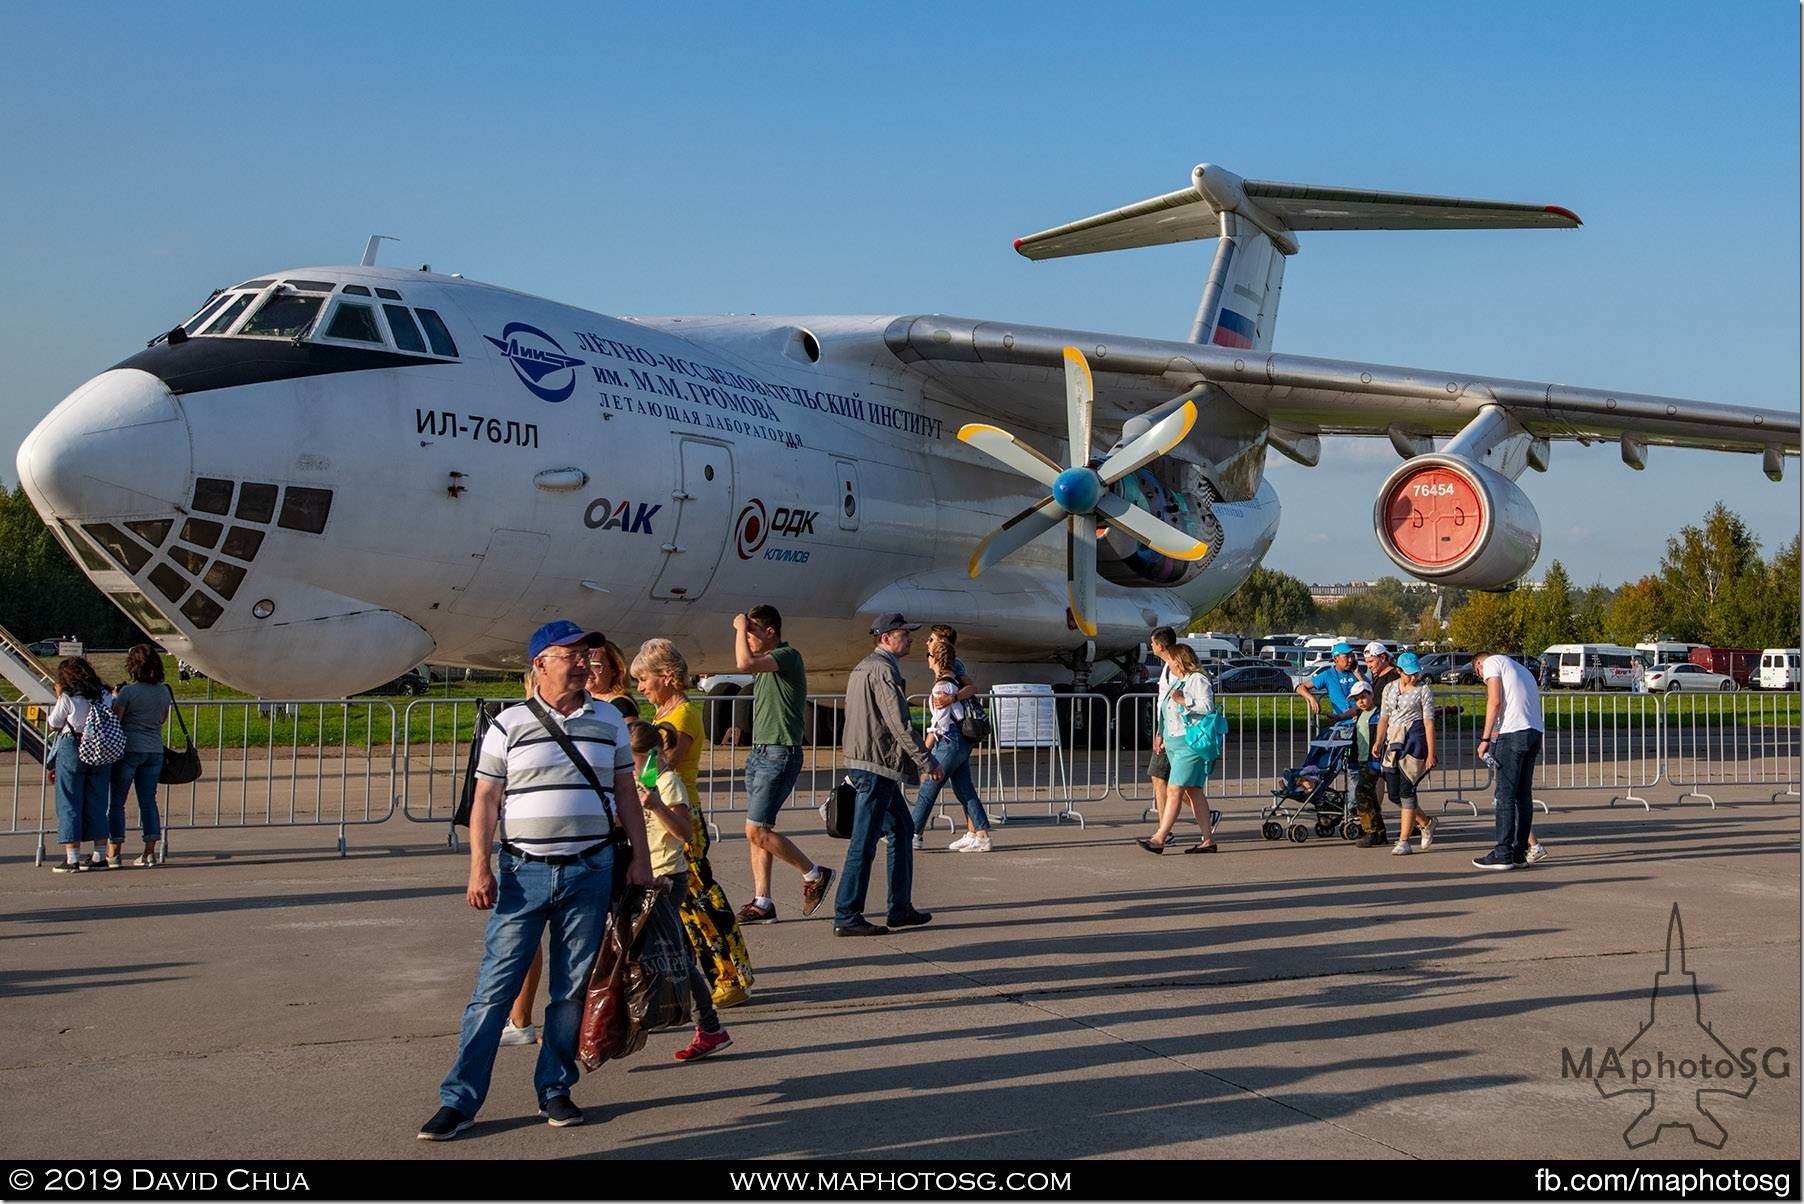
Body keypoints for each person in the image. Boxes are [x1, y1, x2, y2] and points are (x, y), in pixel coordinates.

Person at [419, 620, 651, 1142]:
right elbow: (485, 800)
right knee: (492, 992)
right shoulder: (508, 723)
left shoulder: (611, 719)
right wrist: (479, 865)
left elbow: (626, 792)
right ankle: (459, 1102)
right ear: (541, 663)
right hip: (523, 873)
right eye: (571, 654)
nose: (585, 662)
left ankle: (555, 1088)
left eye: (587, 655)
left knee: (570, 991)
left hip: (590, 870)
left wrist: (640, 857)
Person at [627, 719, 733, 1061]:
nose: (630, 768)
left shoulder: (667, 782)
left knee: (673, 957)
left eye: (634, 760)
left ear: (652, 755)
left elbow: (684, 832)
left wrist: (655, 805)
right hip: (643, 875)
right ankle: (705, 1026)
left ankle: (710, 1026)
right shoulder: (631, 782)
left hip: (667, 879)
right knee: (668, 954)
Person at [833, 613, 942, 936]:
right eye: (903, 634)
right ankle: (847, 914)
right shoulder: (882, 670)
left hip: (871, 763)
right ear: (885, 638)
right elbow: (898, 722)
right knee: (864, 842)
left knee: (902, 829)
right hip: (875, 766)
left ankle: (900, 908)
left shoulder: (865, 667)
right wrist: (927, 761)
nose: (909, 638)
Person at [731, 606, 833, 924]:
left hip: (780, 753)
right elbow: (749, 663)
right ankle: (763, 900)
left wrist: (737, 628)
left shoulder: (788, 655)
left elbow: (742, 661)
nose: (747, 637)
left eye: (752, 631)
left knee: (756, 830)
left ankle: (813, 873)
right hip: (761, 753)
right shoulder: (766, 666)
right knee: (758, 830)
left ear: (770, 632)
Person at [908, 625, 992, 852]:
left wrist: (923, 753)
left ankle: (913, 833)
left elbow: (939, 725)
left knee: (929, 785)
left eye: (931, 641)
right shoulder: (949, 679)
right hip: (960, 741)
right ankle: (980, 834)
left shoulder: (943, 684)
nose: (927, 644)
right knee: (964, 787)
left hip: (949, 741)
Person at [1137, 643, 1220, 854]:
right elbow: (1165, 711)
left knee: (1174, 789)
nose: (1169, 663)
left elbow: (1207, 706)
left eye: (1172, 659)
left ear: (1179, 660)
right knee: (1194, 791)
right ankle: (1208, 839)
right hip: (1174, 743)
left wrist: (1184, 700)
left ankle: (1160, 838)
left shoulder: (1197, 680)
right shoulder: (1178, 680)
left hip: (1189, 745)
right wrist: (1161, 734)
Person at [1472, 650, 1545, 871]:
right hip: (1533, 731)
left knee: (1505, 796)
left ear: (1479, 665)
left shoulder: (1492, 662)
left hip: (1511, 733)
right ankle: (1519, 852)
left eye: (1479, 674)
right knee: (1523, 796)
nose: (1482, 678)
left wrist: (1485, 738)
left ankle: (1503, 852)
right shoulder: (1522, 670)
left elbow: (1494, 701)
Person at [45, 658, 114, 872]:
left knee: (69, 801)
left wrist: (59, 696)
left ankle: (72, 858)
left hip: (73, 745)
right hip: (100, 747)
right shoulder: (103, 694)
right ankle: (100, 856)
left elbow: (55, 723)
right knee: (98, 801)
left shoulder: (68, 696)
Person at [109, 645, 171, 867]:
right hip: (154, 748)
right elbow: (162, 719)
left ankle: (114, 851)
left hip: (129, 748)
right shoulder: (164, 691)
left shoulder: (129, 692)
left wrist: (115, 698)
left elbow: (117, 719)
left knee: (117, 802)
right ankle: (149, 852)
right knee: (148, 801)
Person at [1373, 652, 1437, 854]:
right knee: (1394, 794)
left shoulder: (1423, 690)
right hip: (1393, 741)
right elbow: (1384, 718)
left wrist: (1430, 753)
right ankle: (1426, 823)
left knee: (1407, 789)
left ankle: (1404, 841)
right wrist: (1378, 741)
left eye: (1416, 673)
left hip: (1414, 742)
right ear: (1398, 671)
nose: (1413, 677)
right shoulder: (1389, 688)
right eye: (1409, 674)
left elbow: (1429, 722)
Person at [1358, 643, 1400, 849]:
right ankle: (1376, 831)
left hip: (1388, 742)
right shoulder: (1378, 678)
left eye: (1371, 661)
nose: (1369, 666)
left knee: (1393, 791)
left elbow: (1388, 713)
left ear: (1383, 658)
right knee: (1368, 789)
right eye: (1367, 662)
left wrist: (1381, 740)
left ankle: (1423, 822)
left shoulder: (1393, 679)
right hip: (1378, 742)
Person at [1347, 681, 1387, 847]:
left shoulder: (1378, 716)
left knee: (1362, 793)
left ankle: (1370, 830)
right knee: (1370, 795)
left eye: (1364, 697)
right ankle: (1379, 832)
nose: (1361, 701)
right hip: (1362, 760)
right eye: (1357, 699)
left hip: (1374, 761)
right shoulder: (1360, 716)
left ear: (1371, 695)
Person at [1145, 627, 1177, 828]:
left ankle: (1164, 832)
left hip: (1171, 732)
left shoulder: (1173, 668)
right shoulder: (1167, 667)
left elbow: (1171, 703)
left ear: (1161, 646)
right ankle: (1207, 815)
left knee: (1163, 780)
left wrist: (1162, 733)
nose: (1151, 646)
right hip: (1165, 730)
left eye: (1153, 643)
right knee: (1163, 781)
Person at [1295, 641, 1367, 722]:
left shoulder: (1356, 672)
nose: (1350, 660)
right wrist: (1312, 699)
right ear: (1336, 659)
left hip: (1362, 720)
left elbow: (1369, 691)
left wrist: (1358, 674)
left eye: (1352, 656)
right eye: (1346, 657)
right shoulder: (1327, 675)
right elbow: (1300, 688)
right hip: (1343, 723)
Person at [588, 641, 640, 724]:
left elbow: (632, 736)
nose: (588, 671)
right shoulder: (581, 700)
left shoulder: (620, 705)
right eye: (586, 665)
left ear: (614, 670)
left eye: (596, 666)